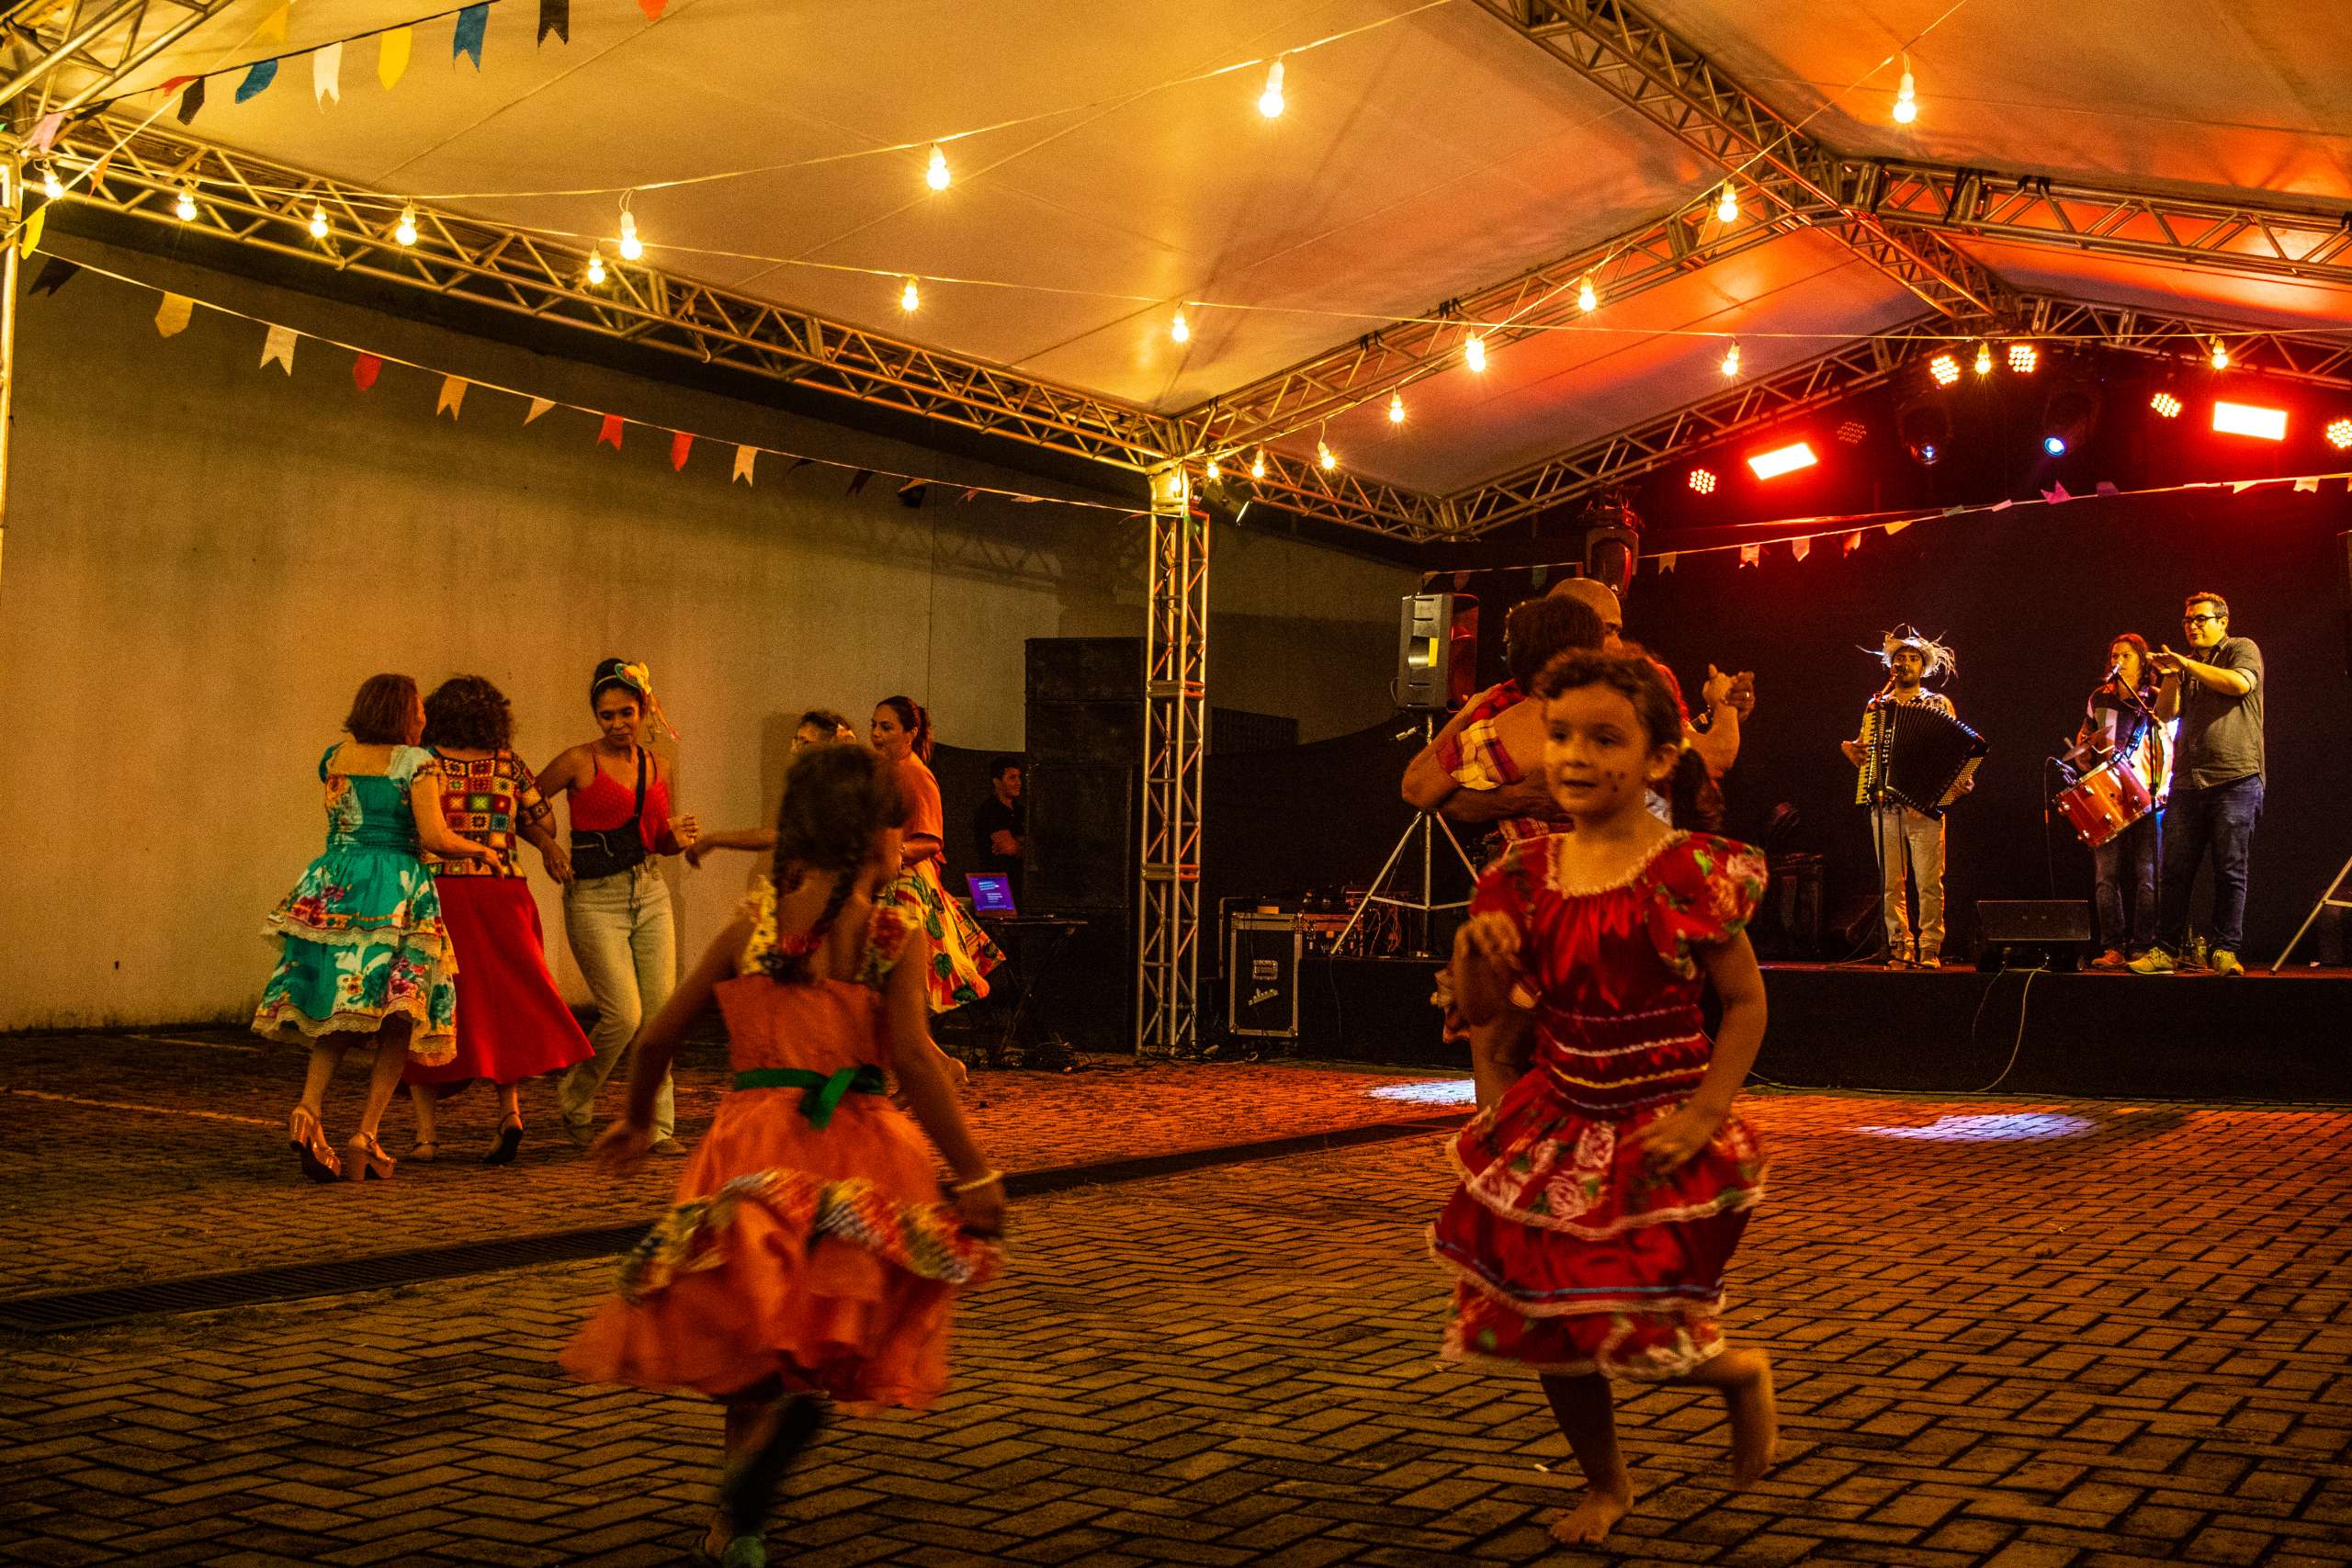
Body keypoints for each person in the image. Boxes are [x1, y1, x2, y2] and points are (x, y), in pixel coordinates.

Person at [560, 743, 1004, 1568]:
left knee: (757, 1330)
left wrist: (635, 1120)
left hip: (753, 1148)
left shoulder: (753, 925)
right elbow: (914, 1059)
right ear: (872, 836)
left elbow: (657, 1037)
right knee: (822, 1314)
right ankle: (780, 1435)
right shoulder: (892, 932)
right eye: (896, 828)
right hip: (857, 1154)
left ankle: (737, 1522)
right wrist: (974, 1172)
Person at [1435, 648, 1774, 1548]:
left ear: (1659, 759)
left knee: (1634, 1326)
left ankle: (1735, 1373)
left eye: (1604, 739)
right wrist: (1473, 954)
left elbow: (1744, 1003)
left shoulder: (1685, 872)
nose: (1575, 756)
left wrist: (1705, 1111)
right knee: (1552, 1324)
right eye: (1559, 736)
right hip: (1558, 1119)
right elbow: (1484, 1012)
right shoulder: (1520, 874)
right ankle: (1607, 1482)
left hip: (1659, 1123)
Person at [255, 674, 501, 1182]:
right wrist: (480, 849)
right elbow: (434, 836)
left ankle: (308, 1108)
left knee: (341, 1010)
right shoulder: (416, 763)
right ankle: (365, 1134)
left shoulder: (334, 758)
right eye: (418, 708)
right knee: (399, 1013)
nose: (425, 717)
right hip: (396, 890)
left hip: (337, 884)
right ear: (402, 714)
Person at [400, 676, 595, 1164]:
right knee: (504, 1006)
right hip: (502, 892)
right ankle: (510, 1113)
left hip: (438, 893)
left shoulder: (424, 763)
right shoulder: (507, 764)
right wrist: (519, 824)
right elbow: (545, 822)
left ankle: (426, 1136)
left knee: (428, 1006)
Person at [539, 659, 700, 1154]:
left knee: (659, 1016)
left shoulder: (658, 765)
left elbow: (656, 840)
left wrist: (676, 839)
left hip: (649, 890)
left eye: (625, 713)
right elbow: (521, 802)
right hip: (594, 897)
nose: (616, 724)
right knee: (624, 1015)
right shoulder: (578, 761)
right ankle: (577, 1094)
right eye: (606, 715)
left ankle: (657, 1125)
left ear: (642, 710)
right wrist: (548, 845)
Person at [2132, 592, 2265, 977]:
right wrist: (2173, 674)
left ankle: (2225, 950)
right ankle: (2164, 950)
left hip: (2236, 778)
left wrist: (2186, 664)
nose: (2192, 626)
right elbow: (2165, 712)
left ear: (2223, 621)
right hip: (2188, 781)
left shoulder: (2241, 648)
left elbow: (2239, 685)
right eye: (2188, 620)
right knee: (2173, 871)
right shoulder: (2185, 666)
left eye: (2201, 619)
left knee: (2230, 870)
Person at [1401, 595, 1605, 847]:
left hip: (1533, 868)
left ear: (1521, 655)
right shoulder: (1622, 721)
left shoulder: (1494, 735)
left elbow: (1415, 789)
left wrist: (1463, 716)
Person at [1840, 627, 1972, 969]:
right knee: (1890, 883)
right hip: (1885, 803)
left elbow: (1957, 748)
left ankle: (1930, 947)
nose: (1906, 663)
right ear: (1891, 665)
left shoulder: (1938, 703)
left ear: (1923, 667)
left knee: (1929, 881)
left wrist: (1959, 782)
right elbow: (1864, 750)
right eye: (1901, 658)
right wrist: (1850, 750)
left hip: (1925, 805)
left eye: (1913, 658)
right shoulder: (1877, 705)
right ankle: (1900, 945)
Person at [871, 696, 1004, 1013]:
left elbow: (932, 841)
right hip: (885, 875)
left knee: (907, 981)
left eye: (886, 727)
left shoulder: (916, 774)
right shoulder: (885, 770)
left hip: (907, 883)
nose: (875, 733)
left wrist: (893, 851)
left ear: (911, 733)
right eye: (873, 725)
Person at [1548, 576, 1753, 782]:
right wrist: (1725, 703)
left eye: (1618, 631)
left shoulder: (1539, 691)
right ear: (1571, 631)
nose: (1618, 645)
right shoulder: (1609, 696)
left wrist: (1715, 714)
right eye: (1607, 631)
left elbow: (1681, 745)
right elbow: (1716, 756)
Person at [2071, 636, 2165, 968]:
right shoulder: (2099, 697)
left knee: (2147, 875)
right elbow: (2085, 736)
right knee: (2105, 876)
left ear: (2142, 660)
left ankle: (2143, 945)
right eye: (2114, 655)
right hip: (2106, 794)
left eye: (2126, 655)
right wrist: (2082, 752)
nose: (2119, 661)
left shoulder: (2155, 698)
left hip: (2147, 793)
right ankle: (2113, 947)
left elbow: (2171, 741)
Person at [687, 710, 861, 872]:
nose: (795, 750)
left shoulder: (836, 792)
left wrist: (713, 840)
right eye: (795, 741)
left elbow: (776, 836)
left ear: (829, 748)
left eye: (805, 743)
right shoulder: (810, 789)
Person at [969, 757, 1025, 900]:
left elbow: (1024, 847)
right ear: (997, 781)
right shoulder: (989, 809)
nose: (1018, 782)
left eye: (1019, 777)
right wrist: (1023, 845)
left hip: (1019, 885)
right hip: (993, 884)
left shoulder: (1021, 810)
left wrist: (1019, 846)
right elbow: (1008, 847)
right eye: (1012, 778)